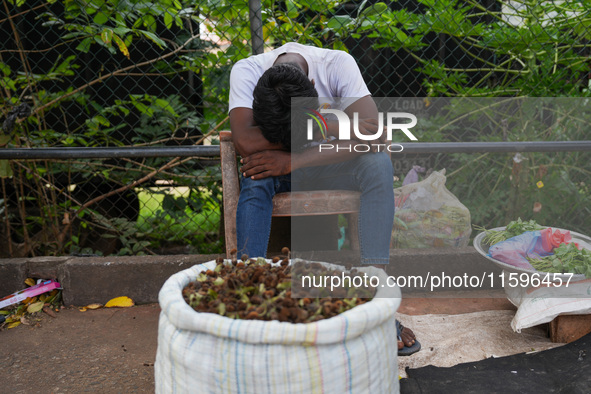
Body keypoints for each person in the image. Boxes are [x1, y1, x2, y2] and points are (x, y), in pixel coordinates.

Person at [228, 42, 419, 355]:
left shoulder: (336, 64)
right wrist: (330, 129)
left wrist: (294, 155)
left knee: (377, 163)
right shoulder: (247, 71)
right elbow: (246, 142)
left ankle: (378, 304)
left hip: (322, 164)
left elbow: (376, 135)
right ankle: (247, 298)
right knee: (254, 175)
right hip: (277, 171)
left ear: (313, 88)